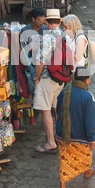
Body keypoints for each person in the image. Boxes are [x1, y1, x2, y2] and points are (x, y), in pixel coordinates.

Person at [55, 66, 95, 188]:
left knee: (64, 159)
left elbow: (57, 111)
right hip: (81, 136)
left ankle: (63, 187)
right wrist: (92, 138)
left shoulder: (64, 92)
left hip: (63, 134)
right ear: (87, 79)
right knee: (85, 156)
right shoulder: (88, 96)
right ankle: (87, 172)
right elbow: (89, 120)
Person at [33, 9, 68, 153]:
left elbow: (40, 61)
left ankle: (50, 142)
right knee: (57, 108)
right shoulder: (65, 35)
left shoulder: (47, 38)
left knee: (46, 110)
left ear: (47, 22)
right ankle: (61, 137)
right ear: (60, 22)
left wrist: (36, 78)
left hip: (47, 79)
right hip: (61, 78)